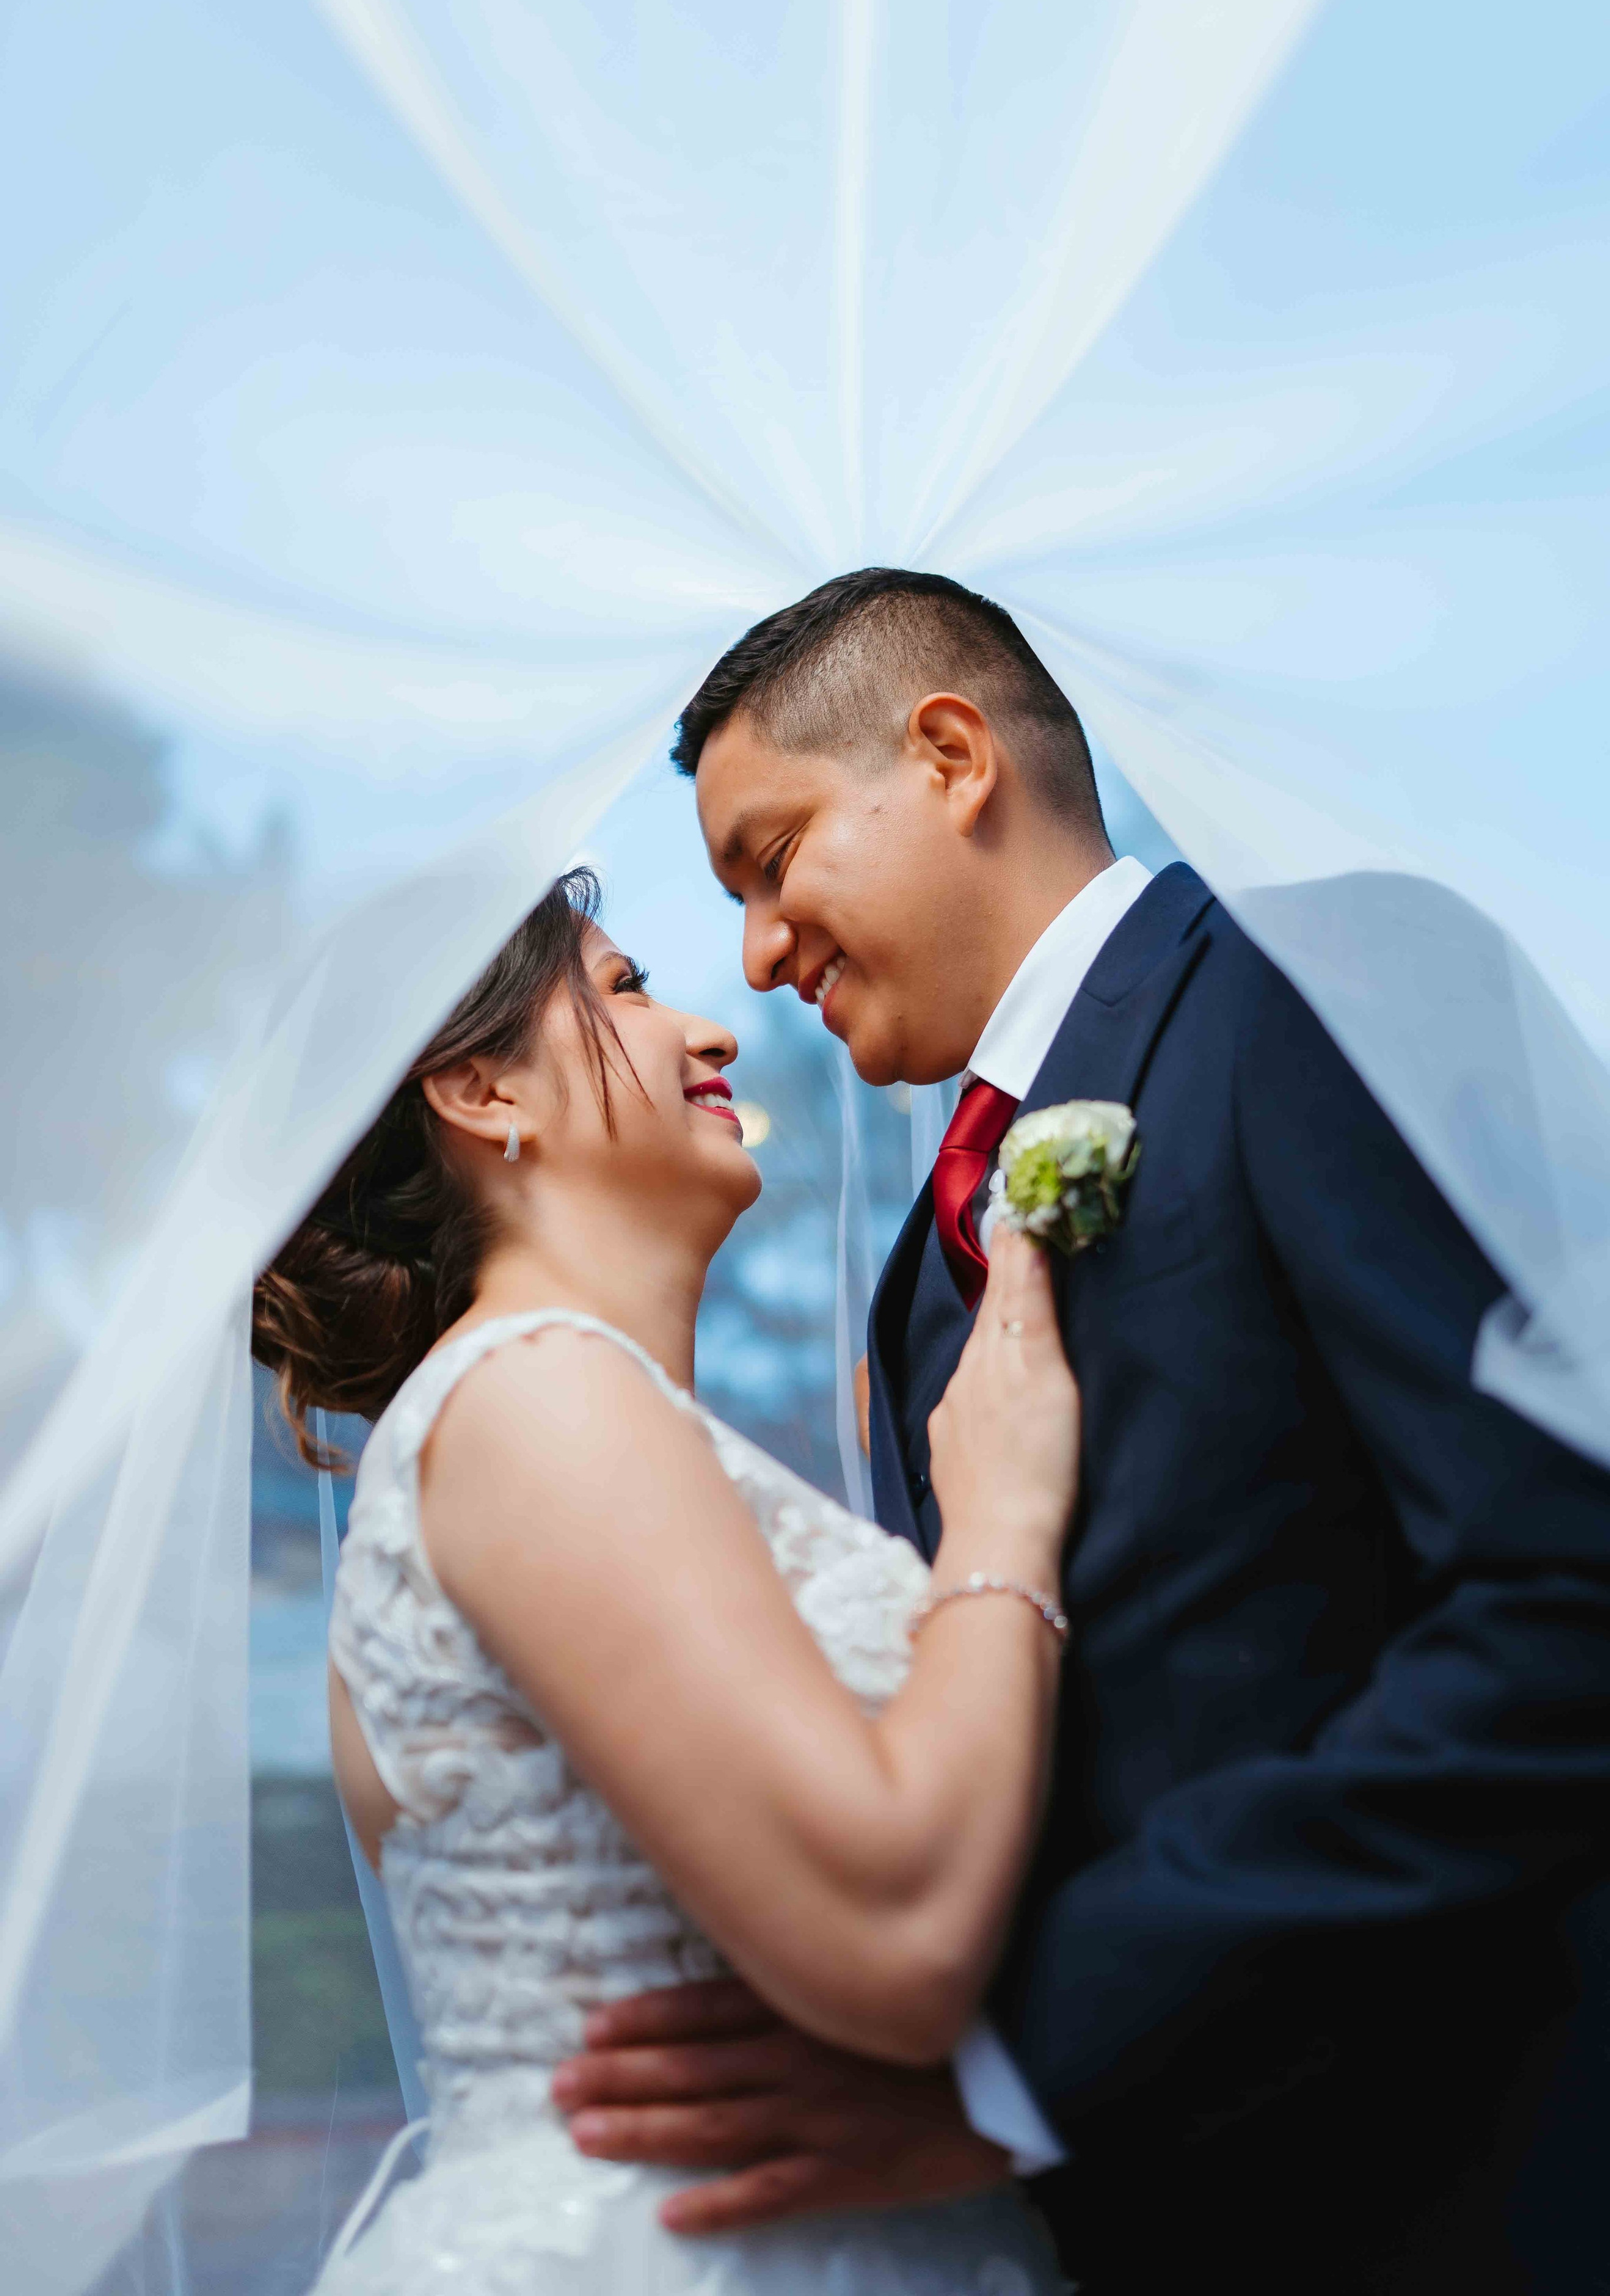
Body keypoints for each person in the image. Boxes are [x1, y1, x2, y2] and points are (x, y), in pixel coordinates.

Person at [550, 569, 1610, 2294]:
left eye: (772, 858)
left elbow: (1564, 1601)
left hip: (1462, 2194)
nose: (753, 950)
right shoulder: (915, 1282)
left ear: (953, 756)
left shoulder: (1315, 984)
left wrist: (1031, 2055)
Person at [252, 865, 1079, 2294]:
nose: (713, 1031)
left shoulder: (550, 1421)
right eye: (625, 991)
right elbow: (892, 1929)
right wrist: (1002, 1524)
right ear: (478, 1093)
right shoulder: (527, 1400)